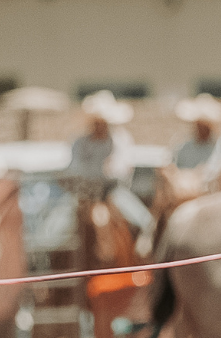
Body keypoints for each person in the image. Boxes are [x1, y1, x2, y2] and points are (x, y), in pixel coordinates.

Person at [67, 90, 156, 242]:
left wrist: (103, 171)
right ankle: (46, 257)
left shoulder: (121, 139)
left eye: (103, 122)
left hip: (113, 191)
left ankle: (143, 251)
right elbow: (74, 168)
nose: (100, 126)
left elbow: (122, 169)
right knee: (56, 226)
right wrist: (102, 170)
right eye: (97, 122)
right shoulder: (79, 142)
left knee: (145, 221)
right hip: (84, 193)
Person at [171, 93, 221, 172]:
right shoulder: (184, 148)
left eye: (205, 127)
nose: (202, 130)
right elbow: (177, 167)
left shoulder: (220, 147)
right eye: (200, 126)